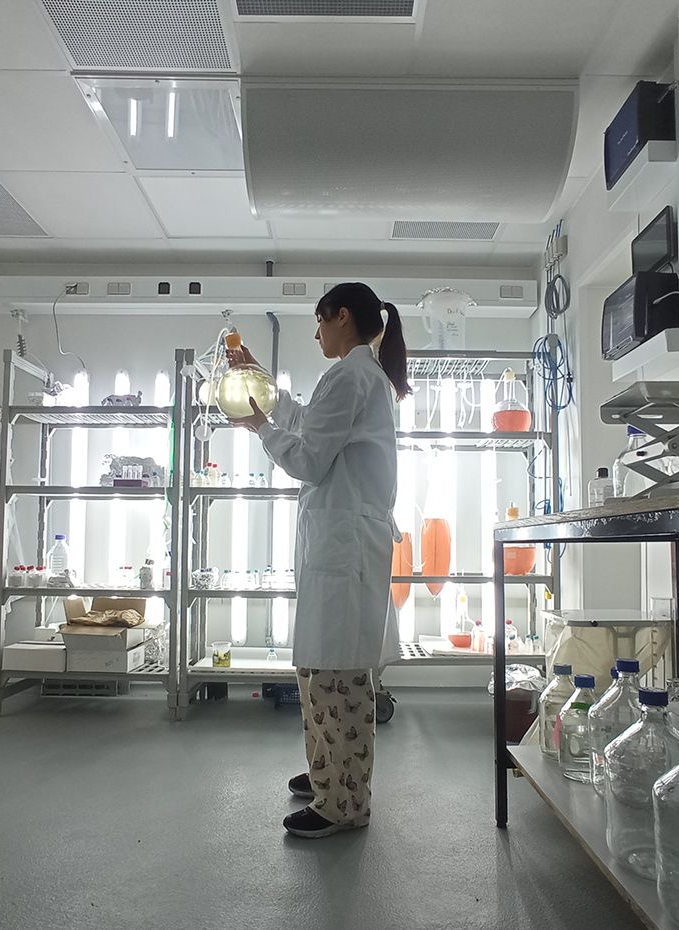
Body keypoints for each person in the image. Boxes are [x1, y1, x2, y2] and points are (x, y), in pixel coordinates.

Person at [228, 282, 410, 839]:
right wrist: (263, 385)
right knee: (321, 670)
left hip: (345, 545)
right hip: (342, 541)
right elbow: (312, 423)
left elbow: (308, 458)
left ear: (343, 317)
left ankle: (344, 803)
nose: (315, 333)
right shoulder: (358, 376)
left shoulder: (352, 376)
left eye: (319, 321)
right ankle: (331, 772)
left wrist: (261, 429)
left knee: (336, 675)